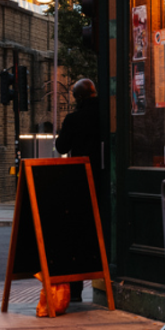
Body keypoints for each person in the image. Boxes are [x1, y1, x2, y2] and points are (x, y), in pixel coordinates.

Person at [55, 78, 105, 302]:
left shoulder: (74, 118)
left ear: (78, 98)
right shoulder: (106, 114)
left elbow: (61, 146)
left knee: (76, 235)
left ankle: (74, 291)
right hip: (104, 181)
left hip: (80, 181)